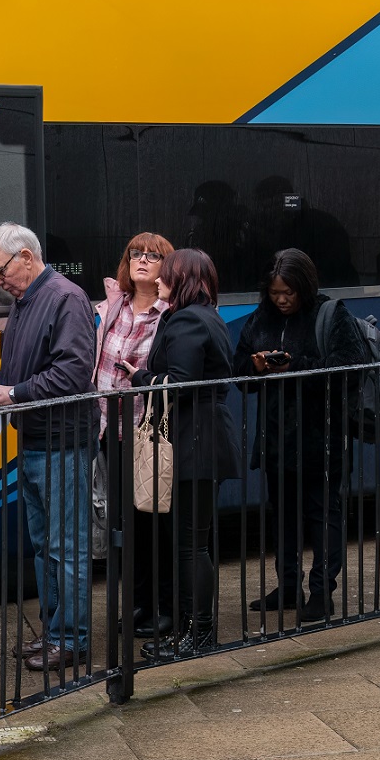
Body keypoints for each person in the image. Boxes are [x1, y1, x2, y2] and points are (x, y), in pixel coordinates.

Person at [0, 223, 96, 672]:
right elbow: (16, 366)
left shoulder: (66, 298)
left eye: (0, 271)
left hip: (62, 442)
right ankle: (54, 633)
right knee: (47, 545)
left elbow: (72, 373)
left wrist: (15, 394)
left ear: (27, 256)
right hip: (37, 440)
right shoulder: (27, 301)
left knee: (65, 547)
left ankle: (71, 639)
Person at [233, 248, 358, 622]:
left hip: (321, 435)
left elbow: (350, 366)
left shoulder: (329, 313)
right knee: (283, 515)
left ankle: (322, 591)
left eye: (289, 292)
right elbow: (238, 370)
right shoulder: (260, 319)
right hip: (276, 438)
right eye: (275, 293)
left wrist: (296, 366)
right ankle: (288, 587)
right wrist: (256, 368)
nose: (283, 300)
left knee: (323, 513)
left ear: (305, 286)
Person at [129, 248, 242, 658]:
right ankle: (193, 632)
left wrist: (139, 375)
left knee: (190, 544)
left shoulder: (189, 318)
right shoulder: (205, 314)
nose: (158, 280)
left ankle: (200, 634)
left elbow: (178, 382)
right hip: (201, 438)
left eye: (167, 275)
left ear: (183, 280)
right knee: (192, 542)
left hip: (195, 440)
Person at [93, 232, 173, 638]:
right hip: (109, 429)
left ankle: (162, 606)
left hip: (148, 433)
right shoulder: (112, 305)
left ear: (167, 266)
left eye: (153, 255)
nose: (142, 260)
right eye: (136, 253)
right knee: (124, 523)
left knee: (151, 522)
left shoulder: (170, 313)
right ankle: (139, 603)